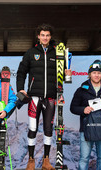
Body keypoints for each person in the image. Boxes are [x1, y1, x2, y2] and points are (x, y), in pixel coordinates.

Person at [16, 24, 72, 170]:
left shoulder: (57, 54)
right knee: (33, 128)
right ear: (38, 36)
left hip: (51, 97)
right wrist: (21, 89)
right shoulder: (30, 53)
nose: (45, 37)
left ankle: (46, 161)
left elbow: (64, 75)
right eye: (43, 35)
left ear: (50, 36)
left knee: (48, 129)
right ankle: (30, 160)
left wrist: (68, 75)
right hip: (34, 97)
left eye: (47, 35)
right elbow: (21, 72)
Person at [70, 60, 101, 170]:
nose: (96, 75)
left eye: (99, 73)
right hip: (86, 130)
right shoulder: (81, 90)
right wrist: (83, 110)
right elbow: (73, 108)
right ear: (89, 74)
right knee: (84, 158)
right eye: (94, 73)